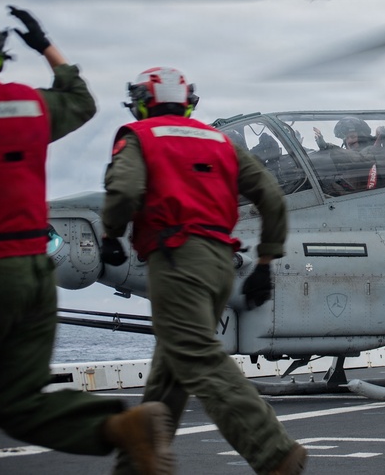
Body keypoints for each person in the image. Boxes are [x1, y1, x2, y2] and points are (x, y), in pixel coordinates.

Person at [0, 8, 174, 475]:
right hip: (37, 270)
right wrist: (46, 46)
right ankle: (119, 427)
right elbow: (80, 100)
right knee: (19, 402)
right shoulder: (30, 105)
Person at [101, 67, 307, 475]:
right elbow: (271, 196)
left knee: (195, 355)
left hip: (177, 260)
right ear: (187, 102)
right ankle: (136, 467)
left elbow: (123, 191)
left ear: (143, 102)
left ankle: (273, 450)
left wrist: (111, 233)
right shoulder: (220, 142)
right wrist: (265, 261)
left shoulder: (139, 136)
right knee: (170, 370)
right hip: (220, 263)